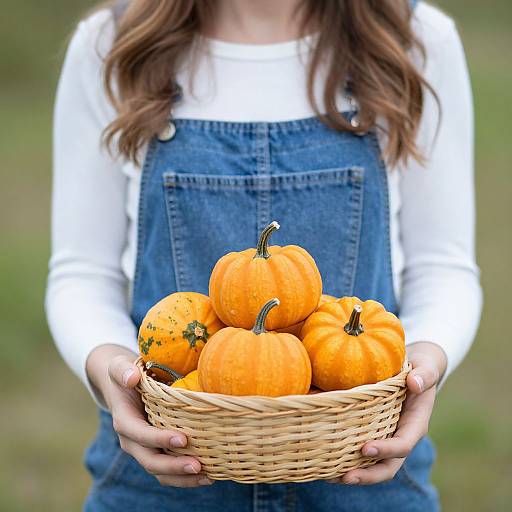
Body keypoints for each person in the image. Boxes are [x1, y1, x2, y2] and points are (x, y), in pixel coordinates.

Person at [46, 0, 482, 510]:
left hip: (363, 465)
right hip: (164, 460)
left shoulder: (414, 40)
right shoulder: (115, 44)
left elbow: (442, 267)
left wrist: (424, 366)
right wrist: (109, 368)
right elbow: (82, 271)